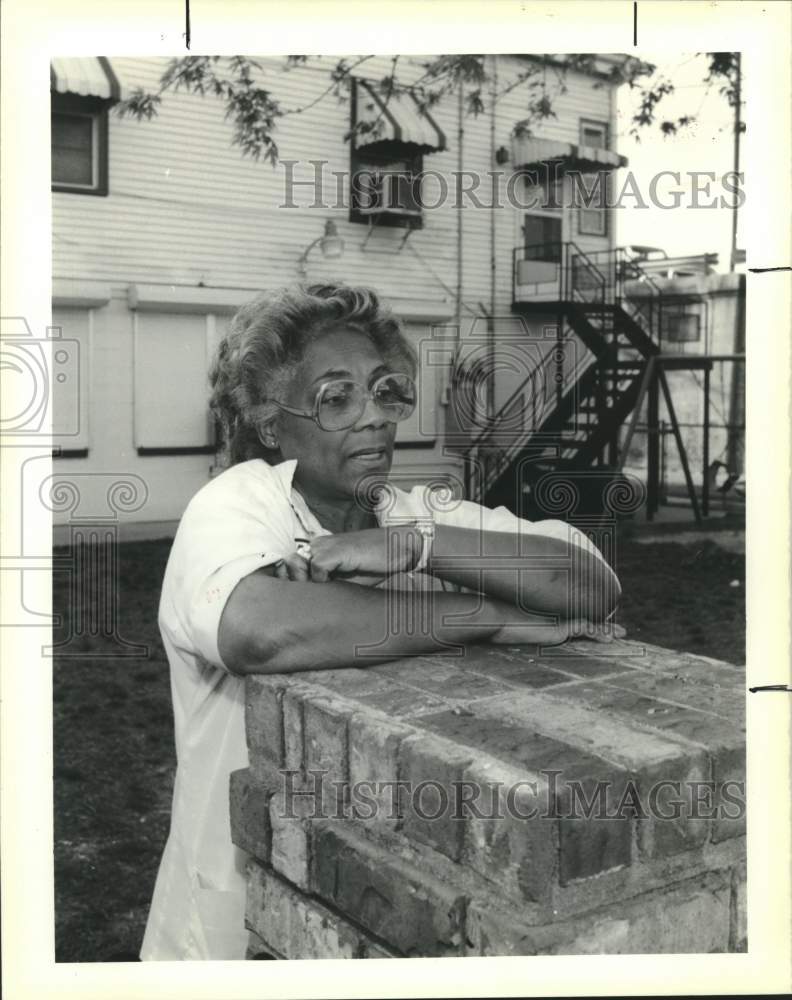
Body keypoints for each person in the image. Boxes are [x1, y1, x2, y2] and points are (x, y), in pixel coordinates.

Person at [140, 282, 621, 961]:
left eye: (385, 390)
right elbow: (257, 626)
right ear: (272, 423)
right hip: (236, 907)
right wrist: (487, 615)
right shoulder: (239, 503)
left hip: (375, 888)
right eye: (337, 397)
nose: (374, 417)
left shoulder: (410, 513)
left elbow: (590, 585)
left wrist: (415, 546)